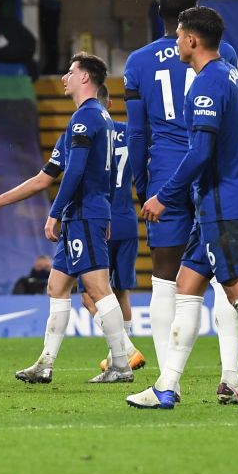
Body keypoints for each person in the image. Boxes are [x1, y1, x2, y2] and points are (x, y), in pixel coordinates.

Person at [128, 6, 238, 410]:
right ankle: (166, 387)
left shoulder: (205, 85)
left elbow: (200, 153)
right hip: (220, 203)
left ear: (192, 40)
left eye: (178, 36)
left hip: (221, 204)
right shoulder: (235, 77)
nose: (174, 42)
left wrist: (163, 196)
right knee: (187, 286)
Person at [123, 0, 238, 404]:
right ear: (193, 13)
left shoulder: (138, 62)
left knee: (165, 278)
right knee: (226, 278)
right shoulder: (223, 53)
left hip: (165, 172)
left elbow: (137, 132)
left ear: (158, 12)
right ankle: (230, 376)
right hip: (213, 168)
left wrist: (145, 186)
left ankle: (167, 382)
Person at [0, 55, 133, 385]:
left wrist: (54, 213)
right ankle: (45, 364)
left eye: (70, 72)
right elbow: (44, 178)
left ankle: (121, 363)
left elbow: (73, 173)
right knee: (57, 285)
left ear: (86, 78)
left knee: (99, 288)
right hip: (82, 214)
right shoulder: (86, 119)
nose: (64, 77)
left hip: (85, 214)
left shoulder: (86, 118)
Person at [82, 85, 145, 373]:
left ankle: (123, 351)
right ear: (109, 102)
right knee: (121, 291)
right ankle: (122, 355)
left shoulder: (89, 133)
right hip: (127, 219)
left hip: (100, 220)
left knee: (90, 294)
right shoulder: (131, 134)